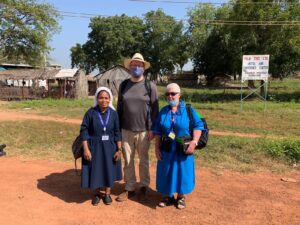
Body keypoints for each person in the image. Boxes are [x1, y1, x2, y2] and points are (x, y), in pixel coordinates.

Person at [152, 83, 205, 209]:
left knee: (182, 172)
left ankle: (181, 197)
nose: (170, 96)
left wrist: (194, 142)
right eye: (167, 94)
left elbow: (198, 126)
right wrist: (156, 148)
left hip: (183, 148)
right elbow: (158, 131)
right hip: (167, 148)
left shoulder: (188, 109)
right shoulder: (164, 111)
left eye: (173, 94)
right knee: (166, 171)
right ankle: (168, 196)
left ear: (179, 95)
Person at [116, 53, 159, 202]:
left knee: (143, 160)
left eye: (139, 65)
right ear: (129, 67)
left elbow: (155, 109)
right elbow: (119, 108)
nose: (136, 67)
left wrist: (153, 129)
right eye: (133, 65)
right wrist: (117, 128)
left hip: (144, 131)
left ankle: (144, 186)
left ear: (143, 68)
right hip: (126, 130)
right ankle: (129, 188)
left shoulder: (150, 86)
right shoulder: (124, 85)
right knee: (128, 160)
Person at [80, 87, 122, 206]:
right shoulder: (91, 113)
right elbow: (84, 131)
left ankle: (107, 193)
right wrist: (86, 149)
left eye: (106, 98)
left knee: (108, 168)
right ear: (97, 99)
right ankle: (97, 194)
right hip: (95, 146)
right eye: (101, 98)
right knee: (96, 169)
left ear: (110, 99)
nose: (104, 100)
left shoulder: (113, 114)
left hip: (110, 146)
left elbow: (117, 132)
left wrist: (119, 149)